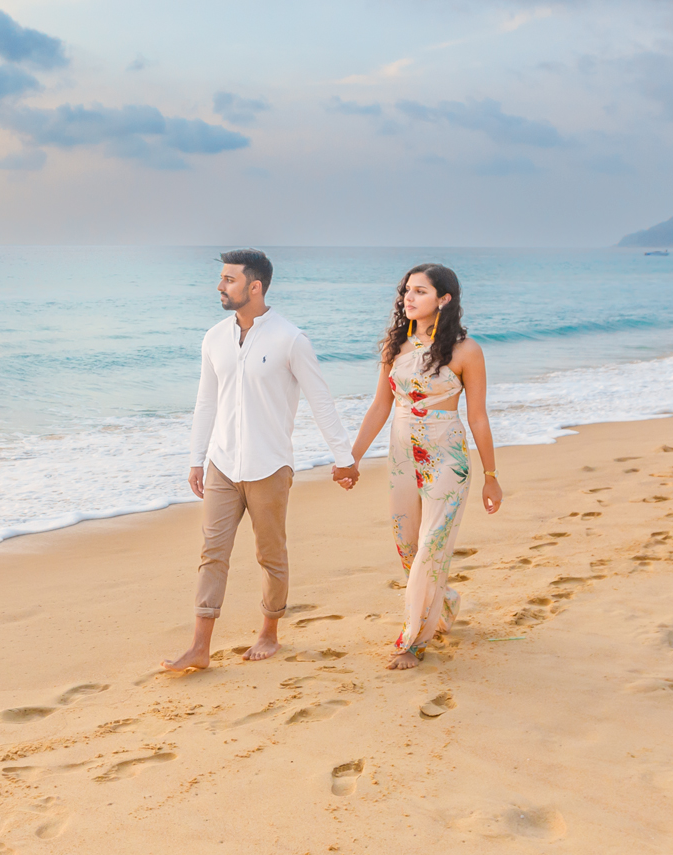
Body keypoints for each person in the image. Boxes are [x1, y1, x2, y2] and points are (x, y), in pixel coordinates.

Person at [166, 249, 357, 671]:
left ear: (255, 286)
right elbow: (205, 402)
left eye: (229, 280)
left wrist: (344, 457)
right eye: (221, 278)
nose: (219, 286)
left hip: (270, 466)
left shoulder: (290, 339)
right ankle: (199, 646)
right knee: (212, 553)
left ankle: (269, 632)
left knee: (270, 554)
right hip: (222, 464)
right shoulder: (214, 337)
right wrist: (197, 459)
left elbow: (320, 399)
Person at [337, 263, 502, 669]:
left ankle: (412, 640)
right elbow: (380, 406)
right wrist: (351, 458)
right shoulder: (394, 347)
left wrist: (491, 477)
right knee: (408, 545)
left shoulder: (467, 351)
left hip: (447, 455)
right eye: (407, 290)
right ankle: (442, 602)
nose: (409, 298)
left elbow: (478, 417)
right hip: (402, 454)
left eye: (421, 291)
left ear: (444, 300)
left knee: (432, 544)